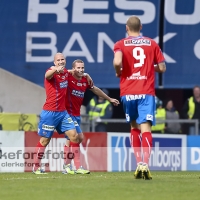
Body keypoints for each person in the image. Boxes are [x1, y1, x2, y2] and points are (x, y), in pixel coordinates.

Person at [113, 16, 166, 180]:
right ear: (141, 27)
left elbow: (117, 61)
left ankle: (137, 163)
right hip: (145, 91)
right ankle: (145, 164)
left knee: (134, 128)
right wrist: (150, 66)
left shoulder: (120, 44)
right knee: (146, 130)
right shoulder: (152, 43)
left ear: (127, 28)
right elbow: (162, 67)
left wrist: (118, 71)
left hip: (128, 92)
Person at [32, 53, 92, 174]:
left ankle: (77, 167)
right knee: (45, 141)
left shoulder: (65, 72)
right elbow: (47, 75)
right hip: (50, 112)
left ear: (65, 61)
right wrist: (55, 70)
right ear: (54, 62)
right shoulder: (51, 71)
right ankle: (36, 167)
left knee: (74, 136)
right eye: (58, 60)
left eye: (62, 59)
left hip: (63, 113)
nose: (60, 61)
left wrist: (86, 74)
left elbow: (74, 71)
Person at [63, 59, 120, 175]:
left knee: (74, 139)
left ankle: (66, 166)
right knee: (76, 137)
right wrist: (77, 72)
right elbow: (57, 72)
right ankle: (78, 166)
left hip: (76, 114)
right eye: (78, 68)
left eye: (82, 68)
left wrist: (109, 99)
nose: (81, 70)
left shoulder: (85, 80)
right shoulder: (68, 76)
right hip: (66, 113)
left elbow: (95, 89)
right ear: (73, 68)